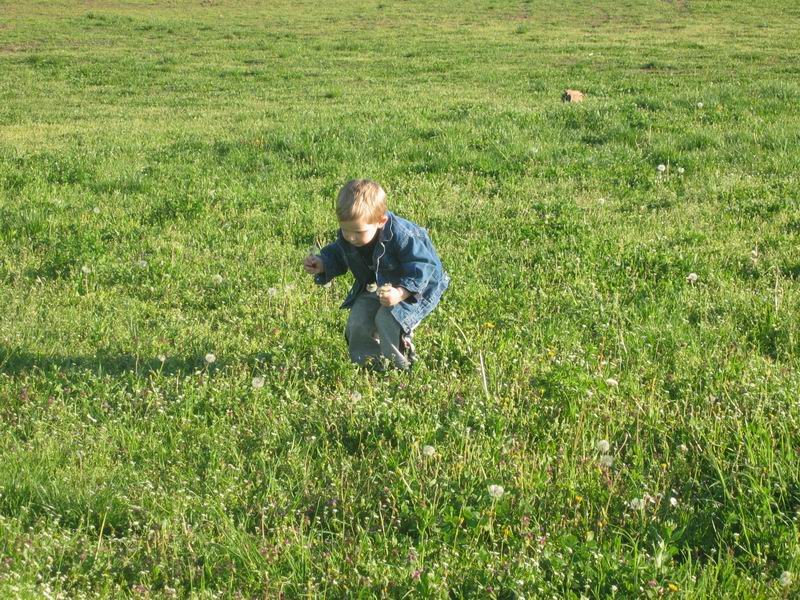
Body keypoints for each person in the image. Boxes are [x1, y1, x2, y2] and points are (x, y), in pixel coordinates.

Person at [303, 179, 449, 370]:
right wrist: (323, 263)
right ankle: (370, 365)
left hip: (417, 289)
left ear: (381, 221)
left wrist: (400, 292)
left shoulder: (404, 236)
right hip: (380, 285)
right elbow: (339, 252)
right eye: (345, 230)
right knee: (358, 319)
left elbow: (423, 266)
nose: (351, 237)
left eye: (358, 232)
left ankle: (400, 367)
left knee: (387, 319)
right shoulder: (352, 235)